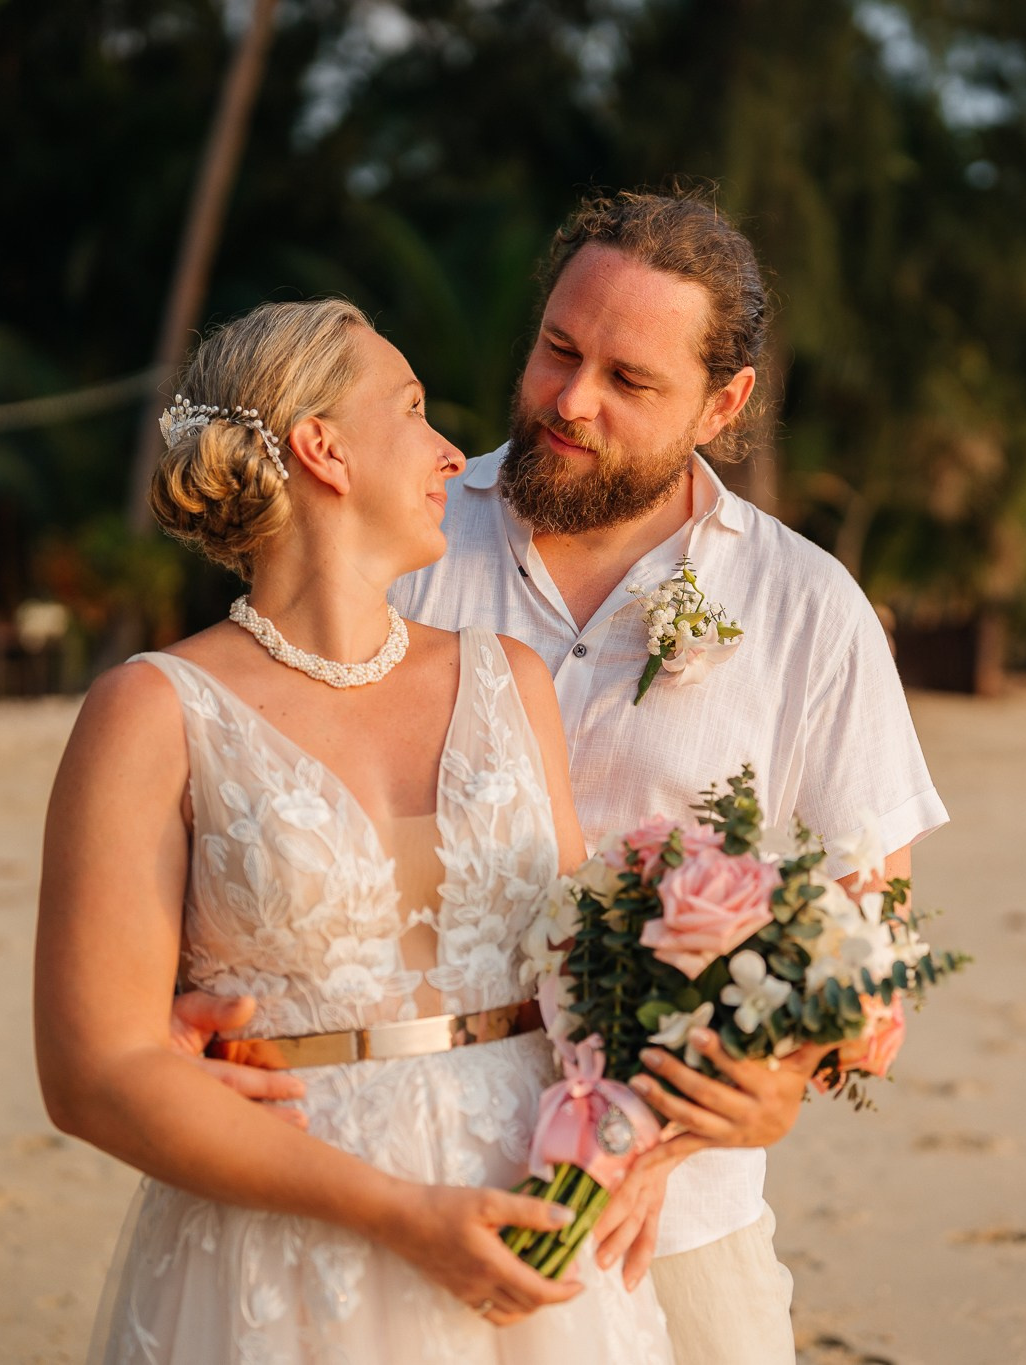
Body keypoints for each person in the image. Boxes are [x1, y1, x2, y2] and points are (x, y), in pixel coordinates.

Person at [171, 190, 949, 1364]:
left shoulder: (806, 613)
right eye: (558, 350)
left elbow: (868, 952)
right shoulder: (394, 544)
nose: (571, 401)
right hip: (388, 1193)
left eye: (630, 382)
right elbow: (266, 822)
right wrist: (207, 1014)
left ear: (722, 403)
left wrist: (776, 1086)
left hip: (673, 1228)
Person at [34, 298, 674, 1363]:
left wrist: (647, 1127)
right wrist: (396, 1214)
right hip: (284, 1248)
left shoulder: (506, 680)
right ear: (320, 447)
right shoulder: (150, 712)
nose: (448, 450)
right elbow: (92, 1070)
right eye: (414, 409)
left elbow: (586, 984)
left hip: (532, 1214)